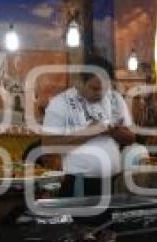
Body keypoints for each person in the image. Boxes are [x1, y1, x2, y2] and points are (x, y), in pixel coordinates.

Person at [42, 55, 136, 197]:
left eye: (105, 88)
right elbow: (48, 144)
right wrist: (90, 132)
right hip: (80, 182)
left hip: (113, 181)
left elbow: (131, 138)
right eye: (95, 88)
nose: (100, 93)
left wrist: (113, 131)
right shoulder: (60, 103)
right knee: (82, 219)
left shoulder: (115, 99)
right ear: (80, 81)